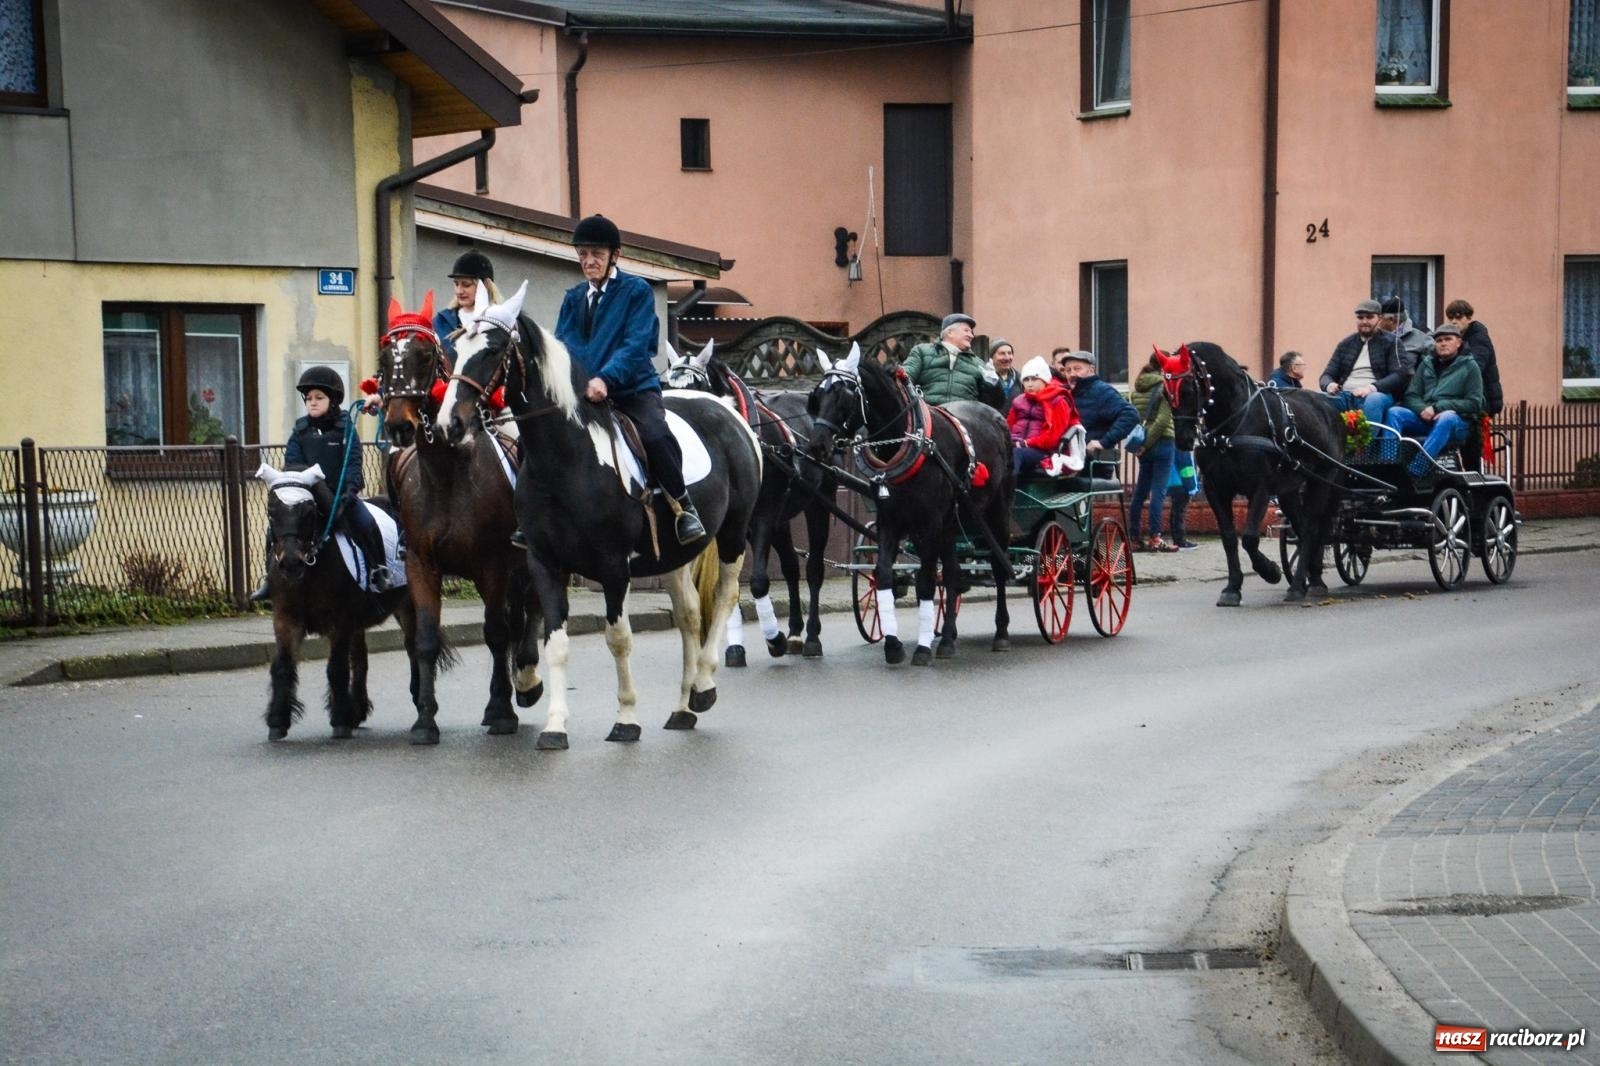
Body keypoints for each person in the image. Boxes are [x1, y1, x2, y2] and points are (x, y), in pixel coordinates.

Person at [557, 213, 704, 544]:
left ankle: (683, 506)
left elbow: (636, 347)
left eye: (596, 254)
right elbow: (562, 346)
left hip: (632, 391)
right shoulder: (573, 297)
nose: (588, 261)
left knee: (654, 434)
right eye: (583, 254)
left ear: (614, 256)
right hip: (584, 392)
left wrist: (605, 379)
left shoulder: (636, 291)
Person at [250, 367, 389, 601]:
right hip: (307, 499)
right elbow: (293, 465)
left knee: (366, 522)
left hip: (341, 495)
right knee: (272, 529)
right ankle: (269, 579)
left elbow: (353, 462)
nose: (312, 403)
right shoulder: (300, 431)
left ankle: (378, 569)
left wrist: (350, 490)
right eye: (309, 399)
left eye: (319, 398)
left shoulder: (345, 429)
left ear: (332, 401)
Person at [1384, 322, 1484, 477]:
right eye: (1439, 340)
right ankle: (1387, 466)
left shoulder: (1470, 366)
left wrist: (1438, 407)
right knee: (1395, 412)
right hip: (1427, 418)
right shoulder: (1427, 364)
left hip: (1458, 424)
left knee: (1447, 418)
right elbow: (1411, 395)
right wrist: (1422, 409)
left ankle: (1415, 471)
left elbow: (1475, 402)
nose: (1443, 343)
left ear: (1459, 342)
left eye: (1447, 339)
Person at [1320, 298, 1410, 424]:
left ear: (1379, 318)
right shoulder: (1346, 344)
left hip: (1377, 394)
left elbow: (1400, 374)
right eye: (1360, 317)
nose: (1364, 321)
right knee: (1318, 398)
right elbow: (1326, 375)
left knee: (1374, 400)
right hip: (1345, 395)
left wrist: (1372, 388)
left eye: (1369, 317)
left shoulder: (1392, 342)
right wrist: (1329, 385)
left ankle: (1367, 443)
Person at [1127, 351, 1178, 552]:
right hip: (1163, 442)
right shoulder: (1164, 387)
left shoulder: (1138, 388)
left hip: (1143, 445)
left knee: (1140, 491)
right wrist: (1148, 443)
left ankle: (1133, 537)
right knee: (1159, 491)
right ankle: (1156, 537)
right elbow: (1163, 421)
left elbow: (1135, 418)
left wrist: (1142, 445)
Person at [901, 313, 1005, 408]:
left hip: (964, 418)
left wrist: (994, 385)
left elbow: (995, 404)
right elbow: (904, 379)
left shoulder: (979, 364)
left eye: (971, 332)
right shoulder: (922, 352)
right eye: (966, 330)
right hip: (929, 414)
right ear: (950, 332)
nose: (971, 335)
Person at [1057, 349, 1139, 457]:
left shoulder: (1101, 391)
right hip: (1066, 459)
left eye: (1077, 369)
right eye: (1068, 370)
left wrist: (1103, 442)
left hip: (1092, 463)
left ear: (1091, 370)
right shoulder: (1064, 393)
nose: (1072, 374)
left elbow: (1130, 415)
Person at [1005, 356, 1078, 475]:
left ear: (1045, 381)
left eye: (1034, 379)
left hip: (1043, 452)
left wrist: (1025, 443)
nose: (1029, 384)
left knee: (1016, 454)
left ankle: (1008, 492)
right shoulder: (1018, 401)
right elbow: (1007, 428)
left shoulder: (1058, 401)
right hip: (1016, 446)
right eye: (1026, 380)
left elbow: (1052, 439)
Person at [433, 249, 503, 363]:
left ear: (484, 285)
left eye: (466, 284)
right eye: (456, 284)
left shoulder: (499, 323)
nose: (459, 291)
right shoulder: (440, 322)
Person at [1445, 299, 1502, 417]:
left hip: (1483, 397)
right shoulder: (1458, 338)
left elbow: (1476, 367)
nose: (1454, 322)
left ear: (1469, 318)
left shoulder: (1478, 338)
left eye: (1459, 317)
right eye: (1451, 318)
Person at [1379, 295, 1435, 377]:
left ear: (1391, 320)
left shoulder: (1421, 336)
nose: (1377, 322)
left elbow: (1440, 357)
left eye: (1380, 318)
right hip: (1377, 386)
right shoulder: (1376, 337)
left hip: (1408, 386)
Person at [1166, 449, 1200, 550]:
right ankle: (1180, 541)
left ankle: (1177, 539)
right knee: (1180, 513)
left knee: (1175, 511)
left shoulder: (1174, 444)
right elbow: (1186, 467)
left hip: (1173, 482)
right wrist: (1192, 486)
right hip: (1182, 483)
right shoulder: (1183, 447)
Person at [988, 339, 1023, 410]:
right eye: (1002, 353)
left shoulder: (1020, 379)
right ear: (992, 357)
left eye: (1009, 353)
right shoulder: (985, 378)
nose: (1007, 358)